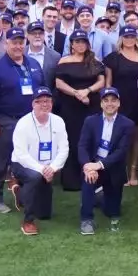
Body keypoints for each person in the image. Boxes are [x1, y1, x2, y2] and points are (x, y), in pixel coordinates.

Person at [0, 27, 42, 213]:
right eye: (14, 42)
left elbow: (43, 90)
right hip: (5, 121)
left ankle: (25, 196)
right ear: (6, 44)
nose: (18, 46)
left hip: (31, 121)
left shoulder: (33, 64)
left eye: (21, 42)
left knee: (28, 160)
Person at [7, 88, 68, 236]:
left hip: (48, 167)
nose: (44, 104)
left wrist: (52, 168)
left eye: (47, 101)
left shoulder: (58, 121)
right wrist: (42, 169)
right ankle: (28, 221)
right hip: (22, 165)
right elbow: (21, 154)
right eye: (39, 101)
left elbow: (64, 149)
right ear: (33, 104)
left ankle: (19, 192)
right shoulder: (23, 123)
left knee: (44, 214)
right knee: (34, 177)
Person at [78, 87, 135, 235]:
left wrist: (99, 165)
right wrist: (87, 166)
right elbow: (82, 146)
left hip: (113, 168)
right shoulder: (90, 121)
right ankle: (86, 219)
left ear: (119, 103)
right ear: (101, 104)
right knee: (89, 178)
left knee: (112, 212)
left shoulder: (128, 124)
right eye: (106, 100)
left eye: (113, 100)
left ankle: (98, 197)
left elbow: (121, 151)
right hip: (93, 165)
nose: (110, 104)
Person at [53, 31, 104, 192]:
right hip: (70, 107)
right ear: (72, 44)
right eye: (77, 42)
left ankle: (92, 176)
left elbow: (101, 81)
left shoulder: (95, 61)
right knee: (72, 140)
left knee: (91, 140)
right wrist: (77, 93)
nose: (80, 45)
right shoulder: (64, 61)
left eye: (83, 41)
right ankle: (72, 180)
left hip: (91, 105)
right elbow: (59, 83)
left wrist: (87, 91)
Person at [102, 25, 138, 183]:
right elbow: (108, 83)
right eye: (126, 37)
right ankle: (118, 171)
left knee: (137, 137)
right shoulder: (113, 57)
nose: (129, 39)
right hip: (120, 102)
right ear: (121, 38)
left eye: (132, 36)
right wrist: (109, 102)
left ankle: (133, 172)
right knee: (119, 137)